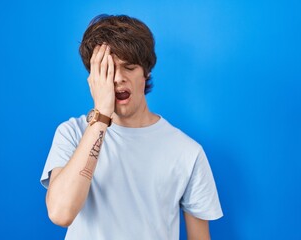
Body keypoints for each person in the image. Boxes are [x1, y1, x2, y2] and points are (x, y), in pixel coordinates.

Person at [40, 14, 223, 239]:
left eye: (129, 67)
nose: (118, 78)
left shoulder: (188, 152)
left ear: (145, 74)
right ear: (93, 77)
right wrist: (101, 117)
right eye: (107, 69)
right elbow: (61, 213)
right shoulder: (72, 133)